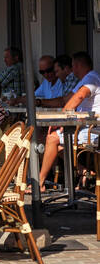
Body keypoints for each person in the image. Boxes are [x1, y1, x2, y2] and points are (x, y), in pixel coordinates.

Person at [38, 51, 100, 192]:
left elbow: (79, 96)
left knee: (52, 138)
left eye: (72, 65)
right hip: (87, 128)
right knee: (57, 148)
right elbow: (67, 99)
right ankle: (85, 172)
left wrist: (61, 120)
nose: (72, 69)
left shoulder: (91, 78)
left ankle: (39, 183)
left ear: (77, 65)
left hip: (94, 130)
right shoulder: (88, 78)